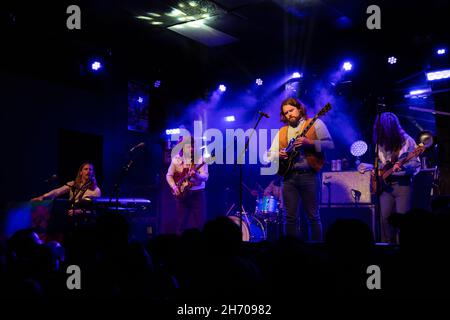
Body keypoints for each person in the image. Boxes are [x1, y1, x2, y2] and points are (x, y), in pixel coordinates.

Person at [268, 97, 334, 241]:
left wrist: (309, 143)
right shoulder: (282, 131)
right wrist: (278, 154)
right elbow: (269, 155)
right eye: (286, 113)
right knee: (290, 218)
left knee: (313, 216)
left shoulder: (315, 123)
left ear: (299, 109)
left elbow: (330, 145)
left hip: (309, 175)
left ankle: (317, 251)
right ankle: (292, 252)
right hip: (288, 178)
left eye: (291, 110)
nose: (289, 114)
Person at [359, 112, 420, 244]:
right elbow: (381, 165)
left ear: (390, 128)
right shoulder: (379, 143)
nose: (380, 131)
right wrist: (372, 168)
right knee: (384, 221)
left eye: (382, 128)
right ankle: (385, 249)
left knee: (403, 222)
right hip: (385, 187)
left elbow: (415, 164)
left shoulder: (407, 141)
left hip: (402, 186)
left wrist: (402, 168)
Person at [166, 138, 209, 235]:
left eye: (193, 146)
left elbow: (205, 177)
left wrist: (196, 175)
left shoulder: (200, 159)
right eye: (188, 146)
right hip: (182, 195)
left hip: (197, 193)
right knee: (180, 223)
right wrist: (174, 187)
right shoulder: (176, 159)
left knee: (199, 223)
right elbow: (168, 175)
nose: (191, 149)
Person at [31, 162, 101, 212]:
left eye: (90, 169)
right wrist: (42, 197)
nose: (88, 171)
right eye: (86, 169)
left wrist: (78, 212)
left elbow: (94, 209)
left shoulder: (96, 190)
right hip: (70, 215)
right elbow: (57, 192)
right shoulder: (73, 184)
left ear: (93, 173)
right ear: (81, 172)